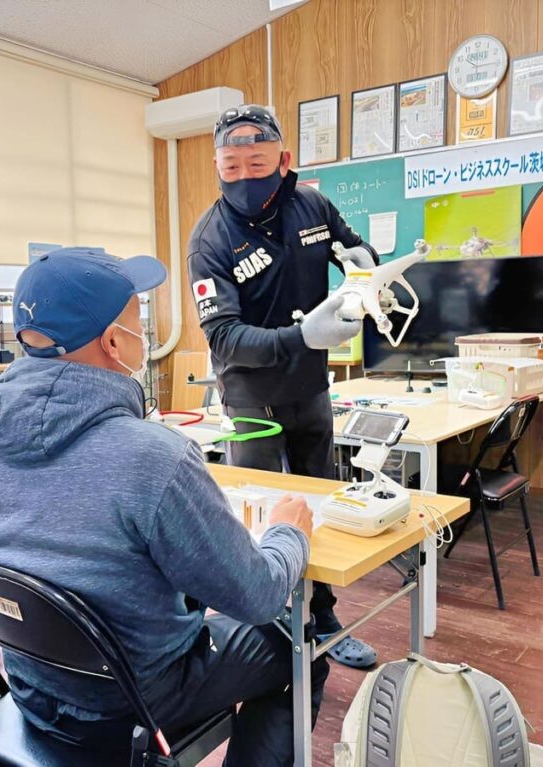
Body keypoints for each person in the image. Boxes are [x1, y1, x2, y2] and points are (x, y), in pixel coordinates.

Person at [0, 247, 329, 766]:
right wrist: (287, 533)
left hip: (32, 679)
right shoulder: (154, 457)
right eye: (138, 318)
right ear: (113, 342)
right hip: (132, 696)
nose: (145, 332)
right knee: (299, 649)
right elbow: (259, 594)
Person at [187, 105, 379, 668]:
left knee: (320, 501)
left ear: (284, 161)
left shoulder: (311, 205)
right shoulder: (210, 239)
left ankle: (322, 616)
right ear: (217, 167)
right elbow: (222, 336)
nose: (244, 176)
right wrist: (302, 336)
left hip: (311, 389)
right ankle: (270, 628)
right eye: (232, 166)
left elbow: (354, 249)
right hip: (250, 397)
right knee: (265, 513)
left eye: (257, 162)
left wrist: (366, 272)